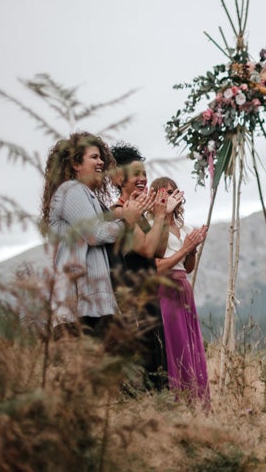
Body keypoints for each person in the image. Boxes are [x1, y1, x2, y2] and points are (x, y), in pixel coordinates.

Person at [41, 132, 147, 340]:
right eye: (94, 157)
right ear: (75, 163)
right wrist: (126, 219)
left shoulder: (90, 198)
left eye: (101, 157)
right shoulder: (71, 190)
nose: (101, 162)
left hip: (96, 306)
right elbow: (95, 234)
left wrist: (134, 211)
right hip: (79, 309)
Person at [110, 142, 167, 390]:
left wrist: (161, 215)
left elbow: (159, 250)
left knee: (159, 364)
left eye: (144, 173)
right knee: (146, 368)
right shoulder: (120, 211)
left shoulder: (140, 213)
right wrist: (160, 217)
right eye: (137, 174)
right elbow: (144, 248)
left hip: (150, 298)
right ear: (119, 178)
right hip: (134, 301)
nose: (143, 179)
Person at [150, 177, 210, 405]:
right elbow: (155, 266)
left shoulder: (183, 227)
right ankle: (176, 399)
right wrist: (184, 247)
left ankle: (196, 398)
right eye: (165, 193)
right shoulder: (154, 226)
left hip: (183, 288)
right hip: (164, 288)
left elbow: (187, 268)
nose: (171, 197)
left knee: (190, 343)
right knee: (175, 343)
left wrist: (192, 250)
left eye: (174, 192)